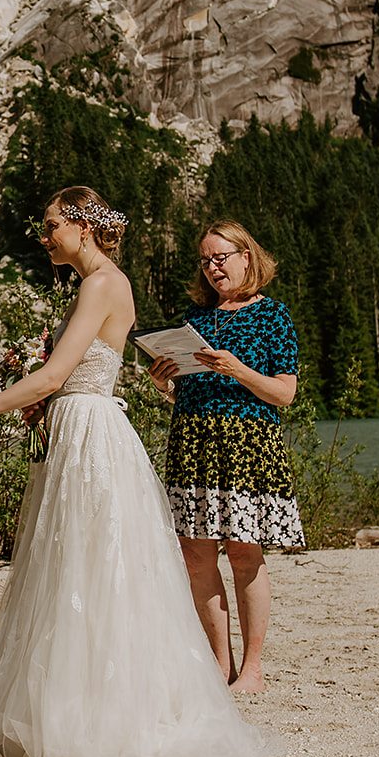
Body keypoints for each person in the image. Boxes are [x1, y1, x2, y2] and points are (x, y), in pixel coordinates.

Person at [0, 186, 283, 757]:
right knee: (76, 566)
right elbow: (64, 376)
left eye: (50, 224)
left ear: (81, 226)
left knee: (93, 565)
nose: (44, 235)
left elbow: (55, 374)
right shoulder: (95, 284)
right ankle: (78, 702)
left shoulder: (103, 283)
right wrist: (43, 401)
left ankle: (101, 712)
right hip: (78, 425)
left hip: (92, 435)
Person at [148, 220, 302, 695]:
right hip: (193, 440)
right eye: (205, 260)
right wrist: (164, 383)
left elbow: (284, 394)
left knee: (244, 554)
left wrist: (238, 370)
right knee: (196, 558)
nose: (213, 267)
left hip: (247, 444)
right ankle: (220, 665)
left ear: (246, 257)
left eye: (221, 257)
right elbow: (187, 390)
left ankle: (252, 669)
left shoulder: (274, 316)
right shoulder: (194, 318)